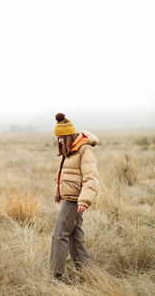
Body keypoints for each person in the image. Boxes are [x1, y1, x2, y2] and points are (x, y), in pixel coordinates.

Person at [50, 113, 100, 280]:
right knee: (74, 235)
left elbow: (91, 177)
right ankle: (86, 273)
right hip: (71, 197)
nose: (59, 141)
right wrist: (58, 193)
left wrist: (84, 201)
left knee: (59, 234)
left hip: (76, 200)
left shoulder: (84, 149)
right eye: (58, 138)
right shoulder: (70, 150)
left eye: (61, 137)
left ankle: (55, 275)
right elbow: (64, 174)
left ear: (69, 136)